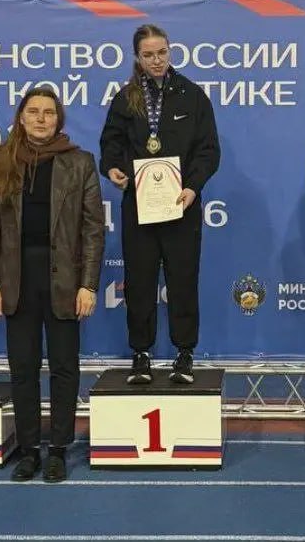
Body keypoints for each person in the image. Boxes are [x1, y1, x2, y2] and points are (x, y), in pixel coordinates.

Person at [0, 87, 104, 484]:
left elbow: (93, 230)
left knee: (65, 368)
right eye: (33, 111)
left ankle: (59, 450)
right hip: (16, 282)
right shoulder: (0, 160)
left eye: (49, 112)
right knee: (23, 369)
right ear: (21, 117)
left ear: (58, 120)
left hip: (64, 281)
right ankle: (29, 450)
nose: (40, 118)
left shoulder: (80, 163)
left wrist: (88, 285)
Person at [100, 24, 220, 385]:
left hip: (181, 205)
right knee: (139, 281)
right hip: (139, 205)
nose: (156, 60)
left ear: (170, 52)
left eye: (162, 52)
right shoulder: (126, 98)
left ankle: (185, 353)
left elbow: (208, 150)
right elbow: (110, 143)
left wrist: (193, 187)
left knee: (183, 279)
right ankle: (141, 353)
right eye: (148, 54)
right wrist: (113, 169)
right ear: (137, 57)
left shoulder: (192, 96)